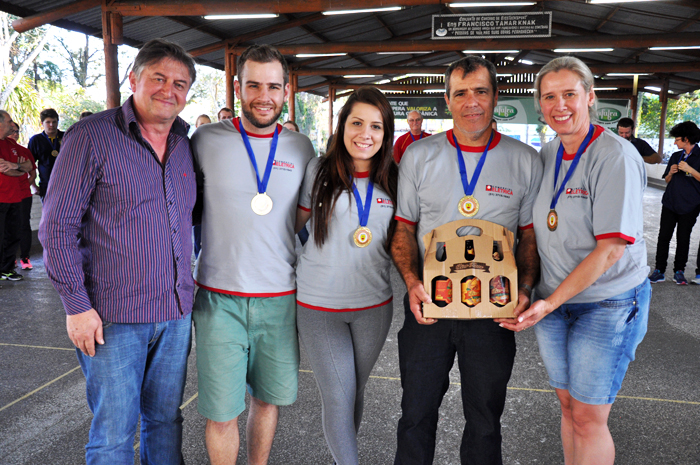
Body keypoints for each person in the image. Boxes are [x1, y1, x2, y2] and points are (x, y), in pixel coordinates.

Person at [39, 38, 197, 464]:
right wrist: (76, 306)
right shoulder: (91, 137)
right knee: (114, 431)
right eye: (159, 78)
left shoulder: (186, 144)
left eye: (180, 83)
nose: (169, 90)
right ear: (134, 79)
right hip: (112, 317)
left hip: (175, 312)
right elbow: (56, 228)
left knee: (166, 421)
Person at [392, 55, 543, 465]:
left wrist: (526, 289)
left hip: (493, 311)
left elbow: (529, 235)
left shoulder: (524, 159)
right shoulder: (419, 155)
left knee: (485, 419)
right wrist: (410, 282)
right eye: (461, 93)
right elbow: (403, 228)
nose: (471, 102)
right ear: (447, 99)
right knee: (415, 414)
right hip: (431, 305)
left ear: (496, 96)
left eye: (480, 91)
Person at [501, 56, 650, 465]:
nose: (560, 105)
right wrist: (529, 291)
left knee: (588, 416)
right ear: (539, 104)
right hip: (553, 302)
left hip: (607, 303)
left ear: (590, 97)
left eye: (570, 94)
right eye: (549, 96)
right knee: (567, 406)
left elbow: (611, 249)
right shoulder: (547, 153)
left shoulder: (614, 156)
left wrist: (548, 303)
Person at [190, 44, 314, 465]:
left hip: (279, 298)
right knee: (221, 412)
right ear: (238, 87)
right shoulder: (205, 140)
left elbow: (302, 215)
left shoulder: (301, 148)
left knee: (267, 400)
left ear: (286, 91)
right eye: (254, 85)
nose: (264, 95)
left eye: (274, 86)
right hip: (217, 299)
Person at [295, 87, 398, 465]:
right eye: (357, 123)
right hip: (317, 306)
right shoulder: (319, 171)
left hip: (373, 307)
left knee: (353, 392)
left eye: (376, 126)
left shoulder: (395, 179)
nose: (365, 134)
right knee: (338, 395)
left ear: (386, 133)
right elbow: (291, 225)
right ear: (343, 126)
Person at [648, 121, 700, 285]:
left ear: (686, 139)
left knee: (683, 239)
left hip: (690, 205)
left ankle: (679, 271)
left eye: (677, 139)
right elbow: (668, 180)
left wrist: (690, 170)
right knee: (663, 236)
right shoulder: (675, 156)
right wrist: (670, 172)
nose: (675, 143)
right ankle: (659, 270)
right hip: (670, 203)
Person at [0, 111, 34, 281]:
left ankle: (7, 270)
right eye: (9, 121)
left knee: (13, 235)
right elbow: (7, 170)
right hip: (1, 198)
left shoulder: (11, 145)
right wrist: (19, 168)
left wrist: (15, 166)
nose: (12, 125)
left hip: (15, 198)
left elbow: (28, 166)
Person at [10, 121, 37, 270]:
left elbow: (32, 172)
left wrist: (26, 184)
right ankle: (9, 258)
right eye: (11, 131)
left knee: (23, 225)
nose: (14, 134)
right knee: (9, 226)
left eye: (16, 132)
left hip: (24, 194)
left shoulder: (24, 151)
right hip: (7, 194)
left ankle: (25, 258)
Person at [28, 108, 63, 200]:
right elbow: (29, 165)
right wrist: (34, 186)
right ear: (42, 123)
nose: (51, 125)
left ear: (58, 122)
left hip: (67, 184)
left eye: (54, 122)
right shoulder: (36, 140)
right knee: (49, 213)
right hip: (46, 185)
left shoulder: (66, 137)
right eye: (48, 122)